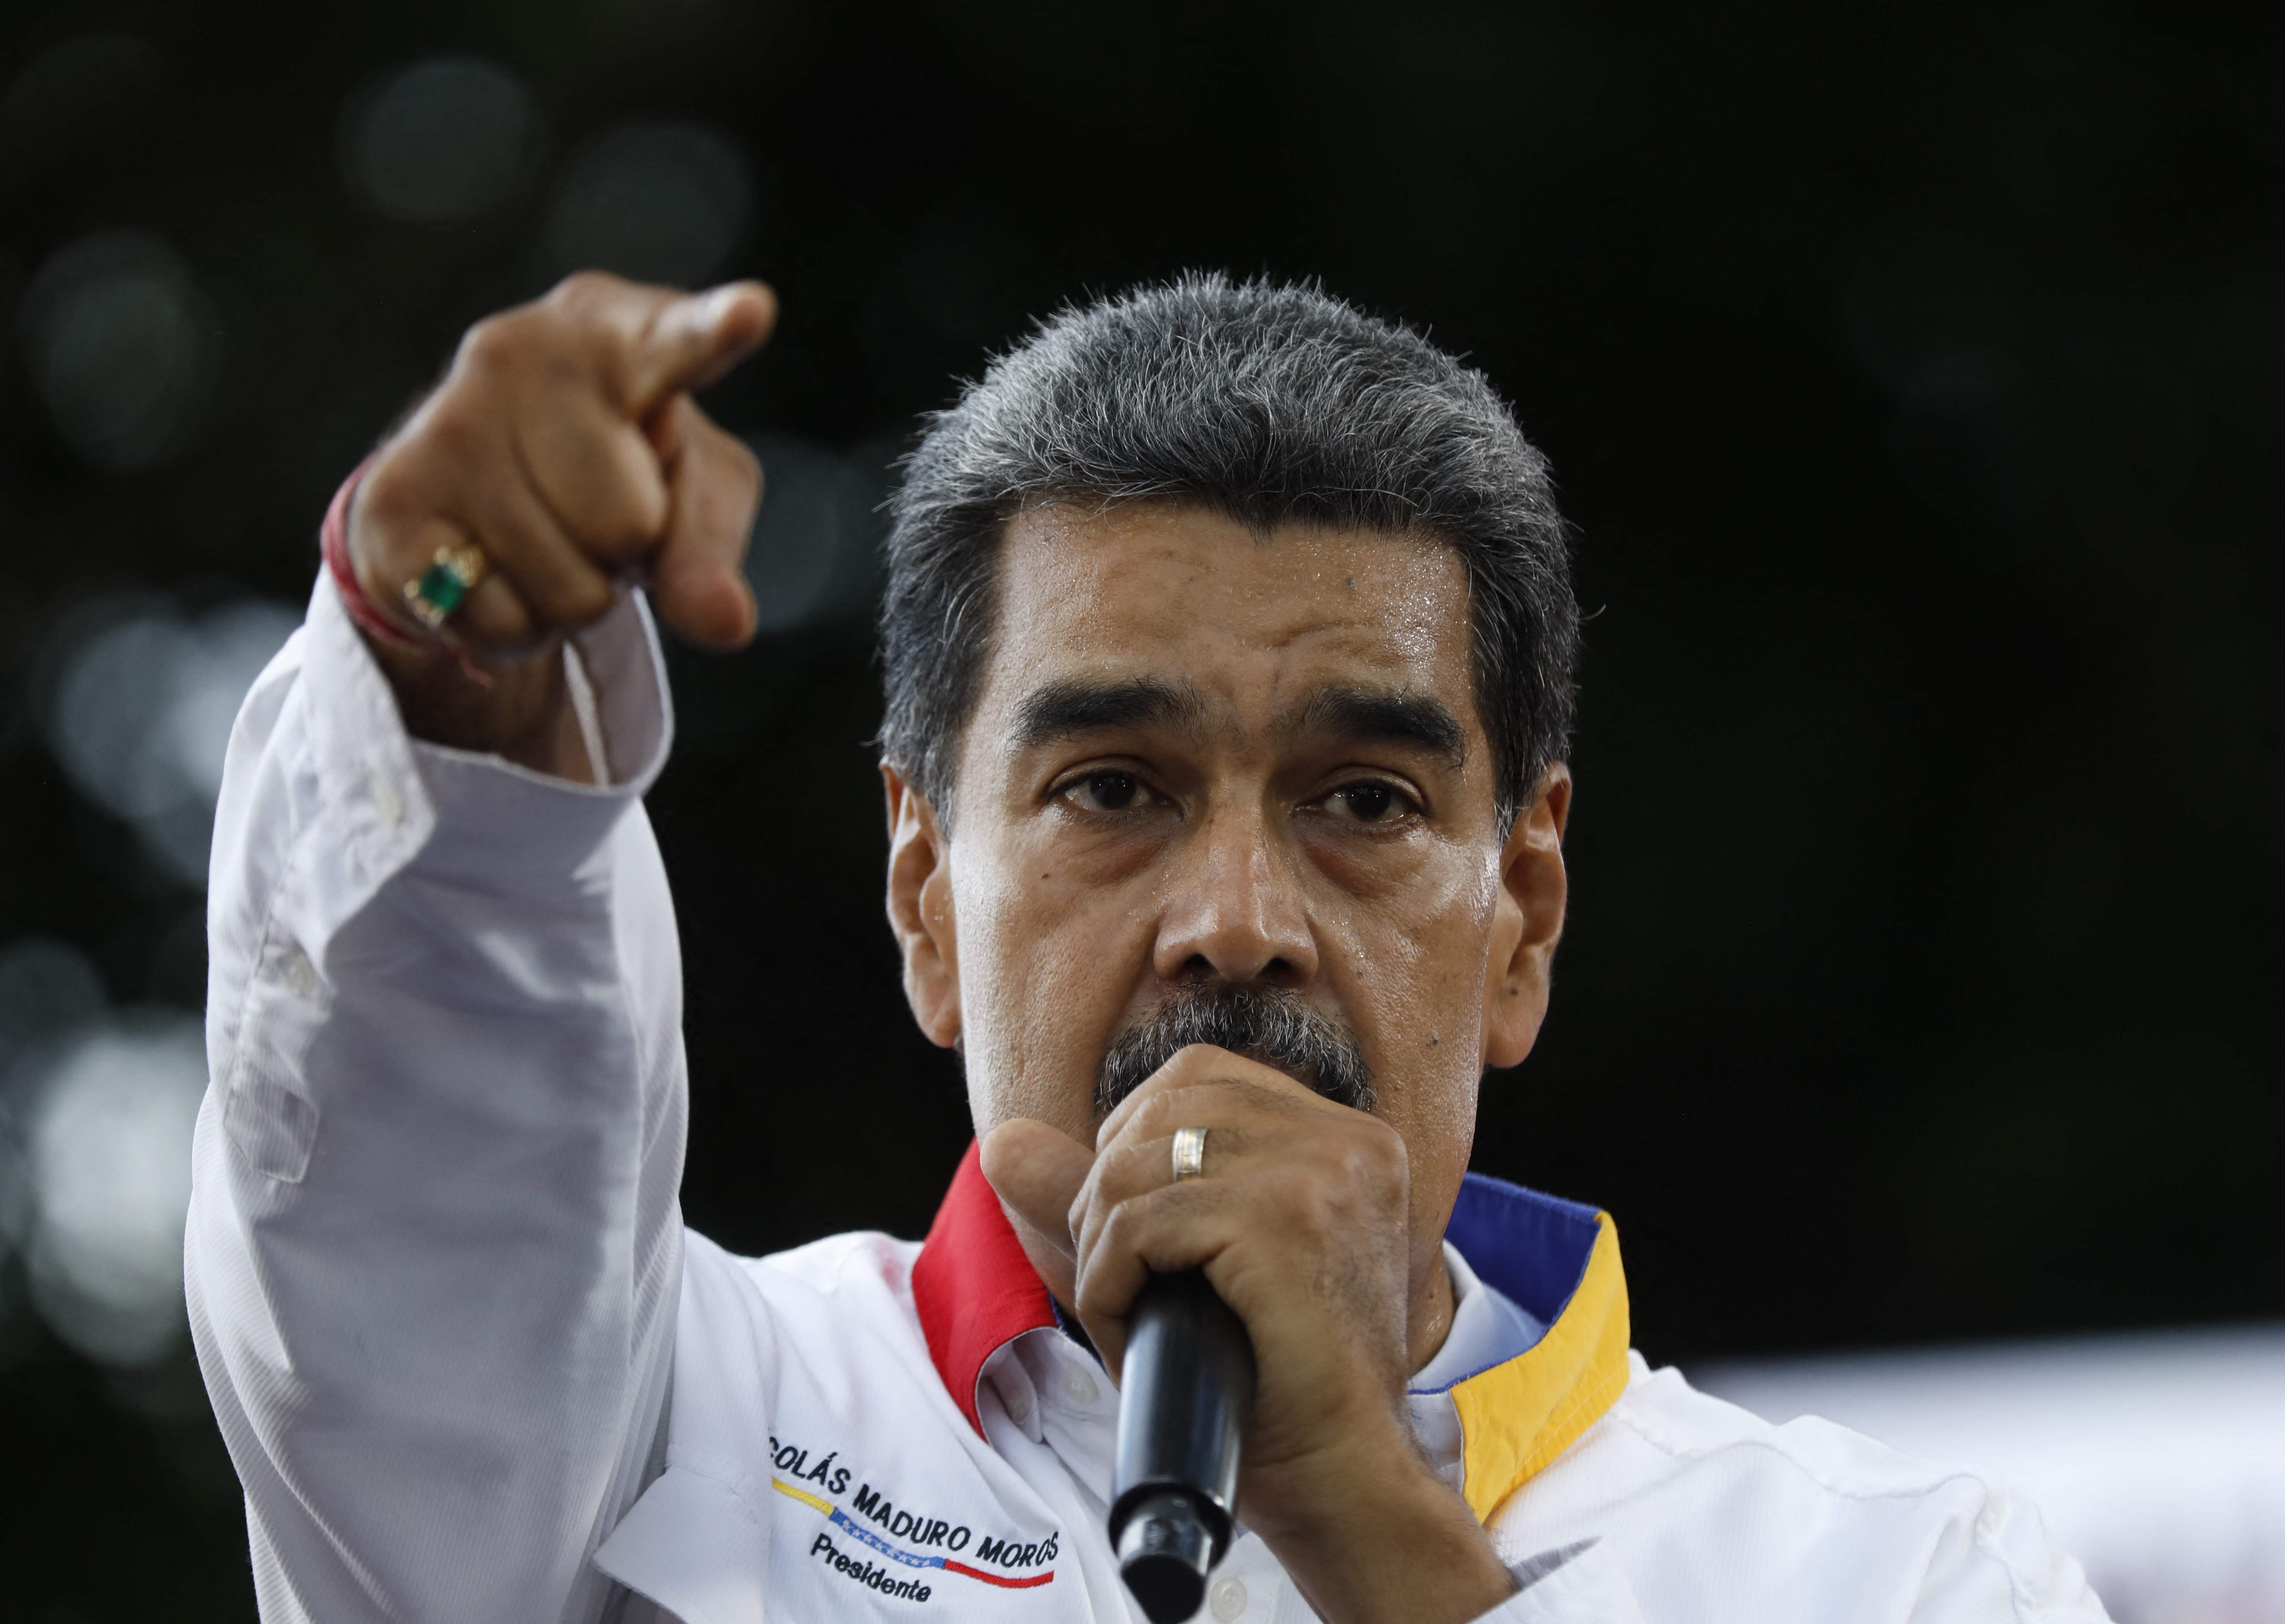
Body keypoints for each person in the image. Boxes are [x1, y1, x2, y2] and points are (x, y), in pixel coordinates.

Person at [187, 270, 2110, 1623]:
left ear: (1521, 915)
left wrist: (1358, 1510)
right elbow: (410, 1147)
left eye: (1362, 801)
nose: (1235, 927)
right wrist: (449, 660)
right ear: (925, 895)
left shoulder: (1899, 1575)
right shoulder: (656, 1427)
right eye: (1116, 788)